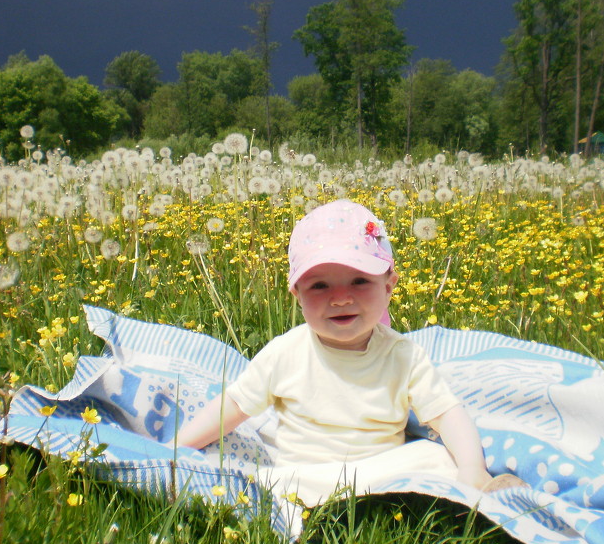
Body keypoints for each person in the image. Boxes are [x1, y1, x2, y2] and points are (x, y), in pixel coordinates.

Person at [175, 199, 523, 499]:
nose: (340, 298)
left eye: (360, 281)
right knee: (254, 481)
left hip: (384, 472)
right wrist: (178, 448)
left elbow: (447, 413)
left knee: (436, 459)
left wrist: (472, 469)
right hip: (303, 474)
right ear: (296, 295)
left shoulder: (403, 356)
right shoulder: (285, 353)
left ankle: (481, 491)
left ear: (389, 286)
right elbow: (234, 405)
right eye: (320, 286)